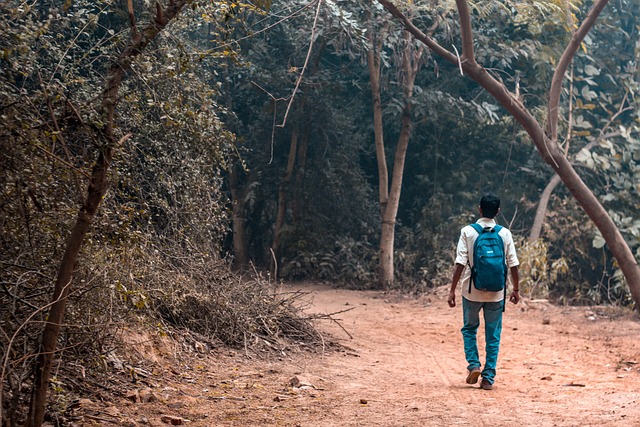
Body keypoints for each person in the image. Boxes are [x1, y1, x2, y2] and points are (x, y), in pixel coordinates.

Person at [447, 192, 520, 390]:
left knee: (470, 328)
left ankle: (473, 365)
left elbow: (460, 263)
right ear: (497, 211)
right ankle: (488, 378)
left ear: (479, 209)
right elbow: (513, 264)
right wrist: (516, 289)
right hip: (497, 293)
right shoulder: (504, 234)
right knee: (493, 334)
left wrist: (452, 290)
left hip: (471, 290)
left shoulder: (467, 232)